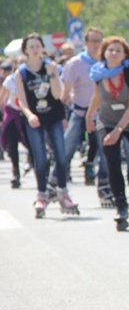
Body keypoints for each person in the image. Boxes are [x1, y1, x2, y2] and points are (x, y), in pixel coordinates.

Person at [14, 33, 80, 218]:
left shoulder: (51, 67)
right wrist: (29, 115)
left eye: (37, 46)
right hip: (35, 119)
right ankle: (42, 194)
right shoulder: (21, 73)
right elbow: (22, 101)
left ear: (42, 48)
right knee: (40, 158)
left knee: (60, 155)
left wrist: (52, 75)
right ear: (26, 50)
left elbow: (58, 95)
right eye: (31, 46)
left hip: (53, 117)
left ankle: (63, 192)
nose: (35, 49)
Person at [85, 36, 129, 230]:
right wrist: (88, 115)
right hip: (107, 121)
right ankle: (121, 208)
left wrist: (119, 130)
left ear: (125, 54)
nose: (114, 53)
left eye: (118, 50)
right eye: (111, 50)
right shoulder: (98, 73)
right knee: (112, 162)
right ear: (104, 53)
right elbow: (97, 97)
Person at [50, 28, 110, 197]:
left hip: (101, 114)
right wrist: (64, 114)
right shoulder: (75, 63)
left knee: (105, 151)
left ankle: (104, 185)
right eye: (93, 41)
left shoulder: (107, 62)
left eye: (99, 40)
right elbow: (65, 92)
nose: (97, 44)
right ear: (86, 42)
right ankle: (53, 183)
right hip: (79, 112)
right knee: (66, 148)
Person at [1, 57, 28, 188]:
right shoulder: (10, 80)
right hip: (13, 113)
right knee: (13, 145)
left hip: (28, 114)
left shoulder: (31, 78)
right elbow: (2, 98)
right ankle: (15, 172)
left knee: (31, 143)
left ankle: (38, 166)